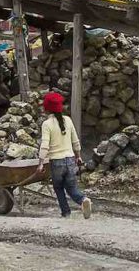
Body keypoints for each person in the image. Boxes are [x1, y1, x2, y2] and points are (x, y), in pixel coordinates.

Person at [34, 91, 92, 219]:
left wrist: (40, 163)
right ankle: (83, 200)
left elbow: (44, 145)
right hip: (70, 159)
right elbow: (75, 141)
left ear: (47, 108)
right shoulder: (68, 120)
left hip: (56, 161)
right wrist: (78, 156)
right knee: (71, 187)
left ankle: (66, 212)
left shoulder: (47, 124)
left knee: (58, 187)